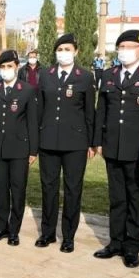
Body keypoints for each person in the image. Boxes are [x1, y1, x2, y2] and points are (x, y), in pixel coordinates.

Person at [92, 30, 139, 267]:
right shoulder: (109, 74)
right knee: (116, 198)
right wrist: (98, 141)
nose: (124, 51)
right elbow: (101, 110)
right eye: (121, 47)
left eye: (129, 46)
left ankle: (132, 246)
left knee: (136, 199)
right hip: (113, 146)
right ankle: (115, 242)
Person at [36, 33, 96, 252]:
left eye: (68, 49)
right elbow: (40, 109)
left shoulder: (85, 77)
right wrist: (36, 140)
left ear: (76, 51)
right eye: (60, 50)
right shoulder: (46, 74)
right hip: (48, 140)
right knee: (48, 188)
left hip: (75, 143)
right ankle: (48, 233)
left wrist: (91, 143)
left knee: (72, 190)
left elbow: (90, 112)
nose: (63, 53)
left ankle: (68, 236)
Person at [0, 50, 39, 246]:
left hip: (19, 149)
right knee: (0, 190)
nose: (6, 70)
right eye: (3, 67)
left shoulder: (27, 90)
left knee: (18, 190)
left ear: (17, 67)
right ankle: (1, 227)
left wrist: (33, 150)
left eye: (9, 66)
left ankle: (14, 230)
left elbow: (32, 122)